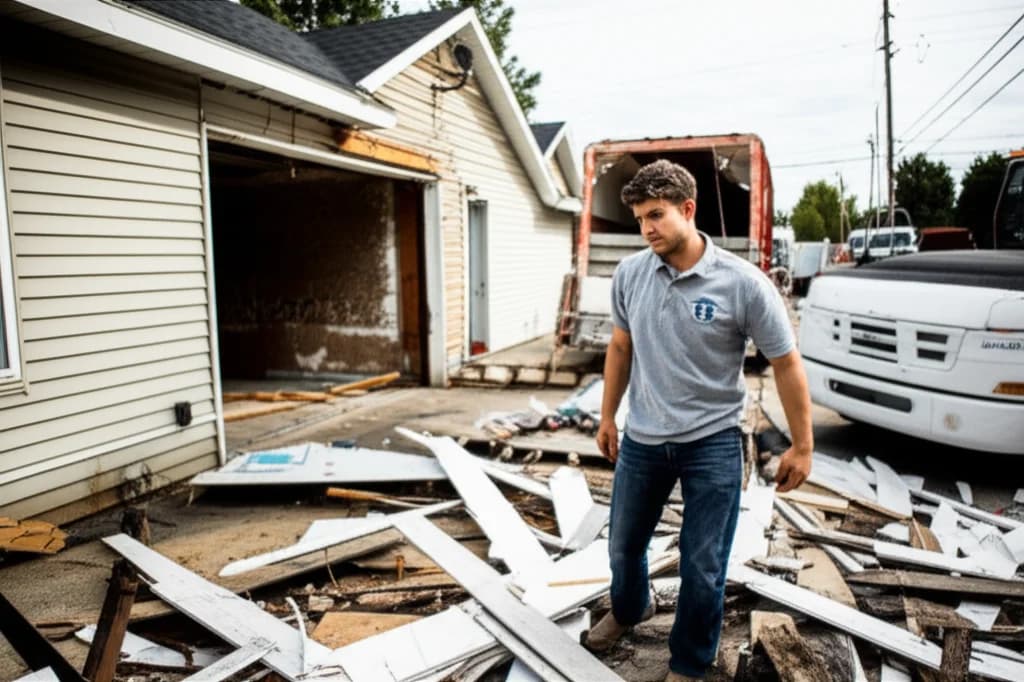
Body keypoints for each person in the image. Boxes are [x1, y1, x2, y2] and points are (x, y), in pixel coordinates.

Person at [583, 159, 813, 681]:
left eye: (657, 215)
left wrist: (802, 444)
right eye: (641, 218)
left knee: (703, 566)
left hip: (713, 441)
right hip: (643, 437)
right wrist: (607, 416)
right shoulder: (630, 274)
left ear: (689, 209)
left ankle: (688, 661)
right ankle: (628, 609)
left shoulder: (743, 285)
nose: (647, 229)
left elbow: (786, 362)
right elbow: (621, 345)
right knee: (623, 546)